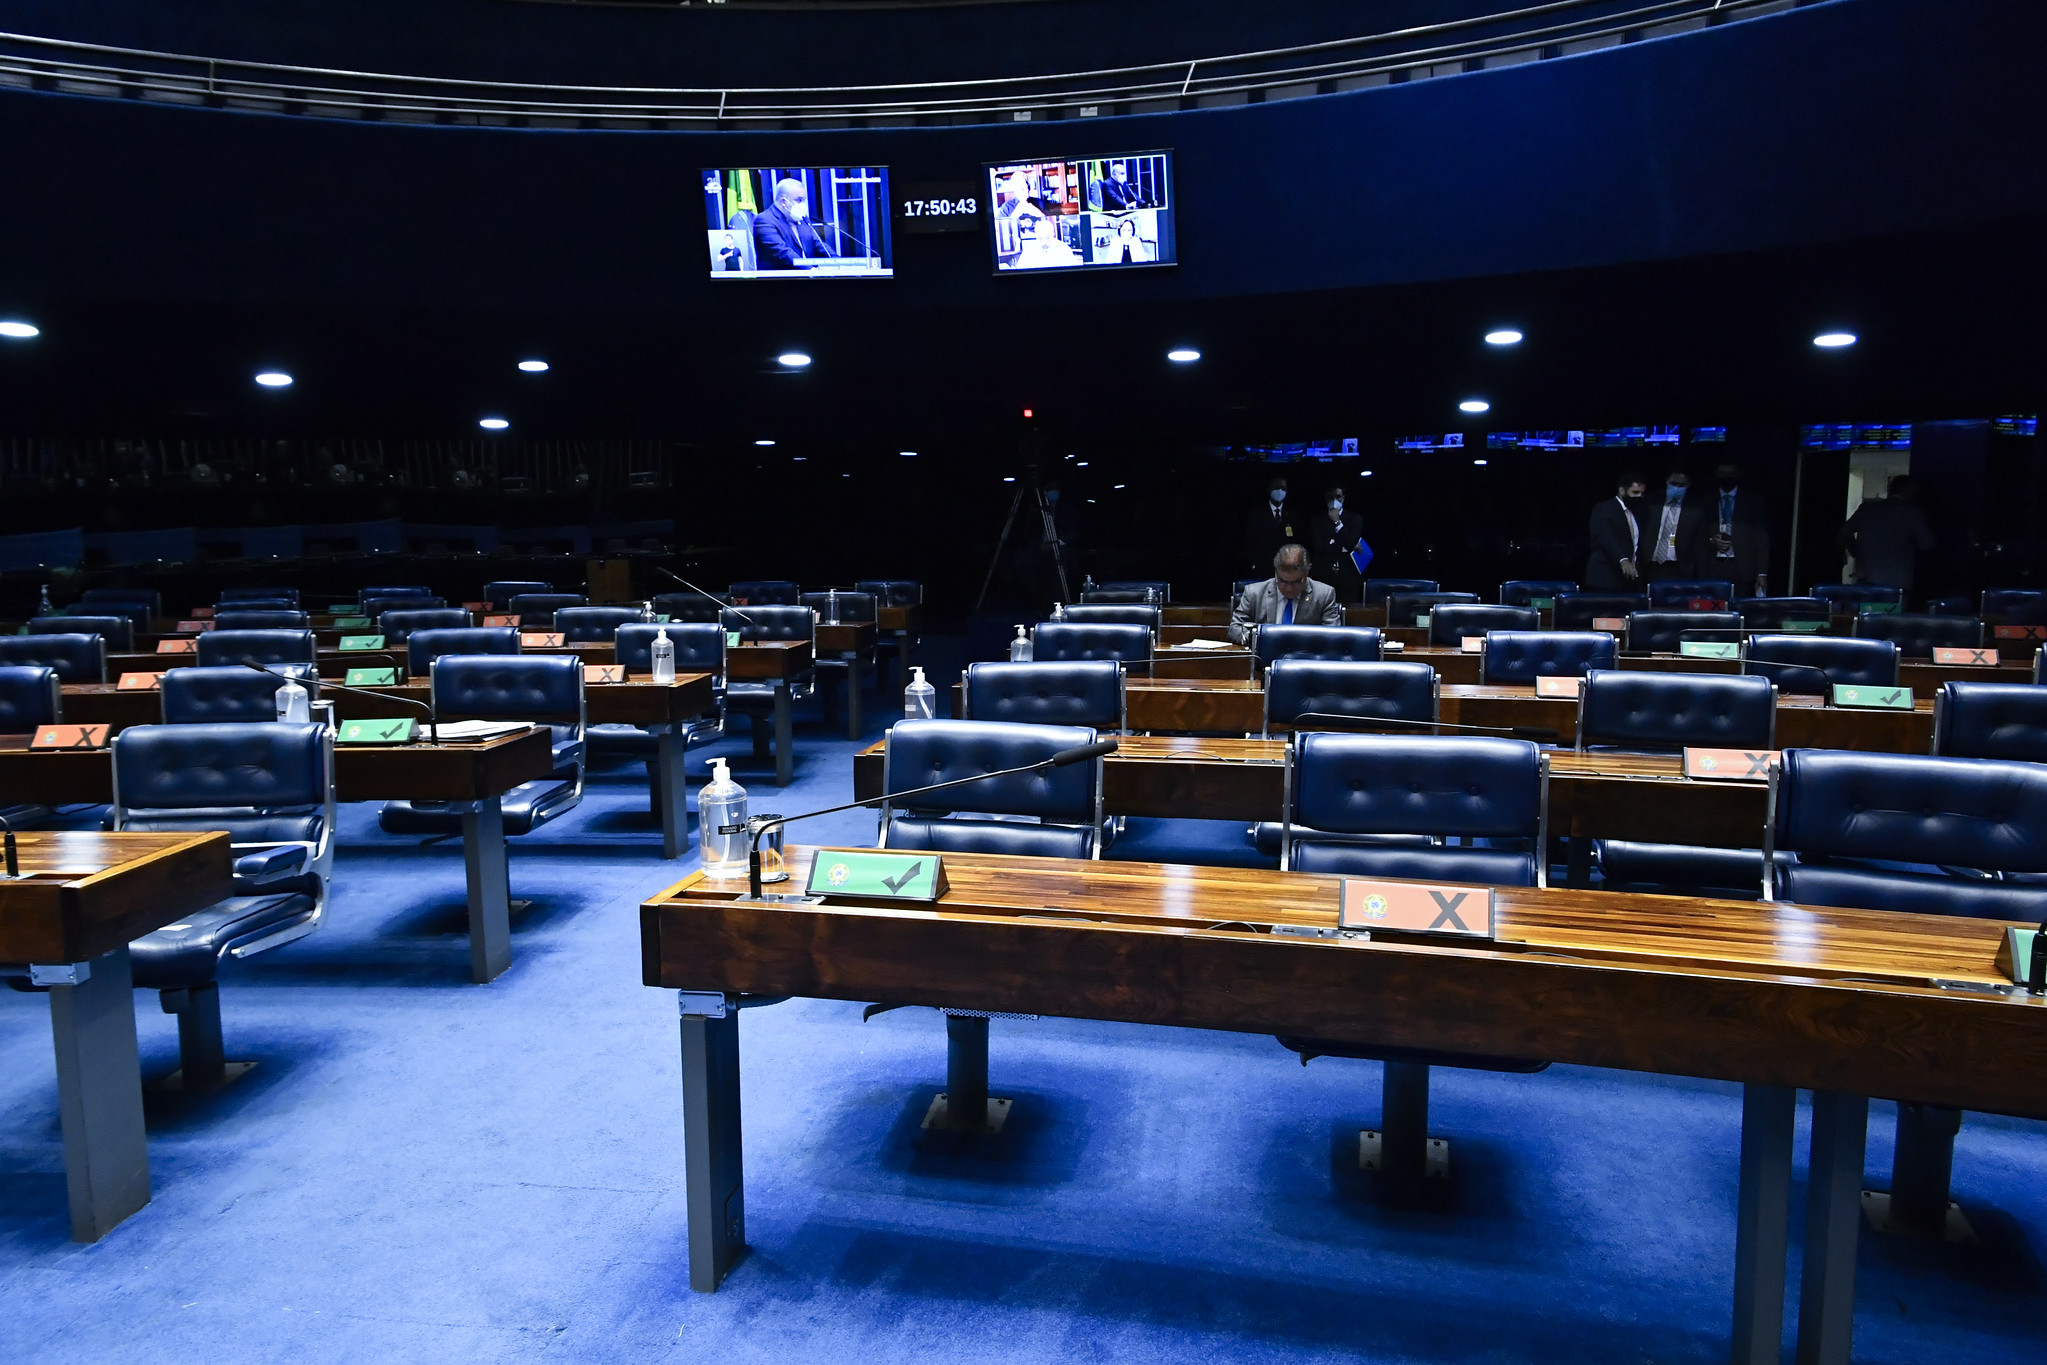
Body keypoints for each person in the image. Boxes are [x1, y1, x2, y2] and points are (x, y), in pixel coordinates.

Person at [1837, 474, 1935, 591]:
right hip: (1897, 580)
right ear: (1910, 490)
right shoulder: (1911, 512)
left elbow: (1843, 534)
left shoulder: (1867, 509)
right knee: (1893, 608)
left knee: (1865, 607)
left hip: (1866, 575)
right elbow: (1927, 544)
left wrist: (1857, 552)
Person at [1229, 544, 1343, 644]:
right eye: (1283, 581)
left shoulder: (1324, 594)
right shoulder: (1254, 593)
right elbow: (1235, 628)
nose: (1289, 588)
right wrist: (1257, 639)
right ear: (1276, 573)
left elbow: (1333, 635)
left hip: (1305, 660)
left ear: (1307, 573)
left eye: (1297, 582)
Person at [1708, 463, 1770, 596]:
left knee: (1740, 609)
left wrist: (1762, 573)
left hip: (1742, 568)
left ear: (1738, 475)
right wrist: (1711, 539)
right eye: (1723, 474)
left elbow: (1761, 538)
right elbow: (1696, 534)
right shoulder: (1706, 501)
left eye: (1730, 474)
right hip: (1712, 566)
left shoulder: (1752, 501)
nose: (1727, 478)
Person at [1642, 467, 1711, 581]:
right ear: (1666, 481)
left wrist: (1702, 578)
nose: (1677, 488)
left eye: (1682, 485)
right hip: (1650, 565)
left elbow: (1700, 546)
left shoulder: (1695, 509)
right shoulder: (1650, 503)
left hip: (1680, 568)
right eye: (1674, 483)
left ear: (1688, 485)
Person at [1584, 472, 1649, 590]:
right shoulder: (1604, 508)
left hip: (1629, 579)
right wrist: (1623, 560)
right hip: (1605, 578)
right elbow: (1605, 537)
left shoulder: (1638, 512)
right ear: (1622, 490)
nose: (1639, 496)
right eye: (1635, 492)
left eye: (1642, 493)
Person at [751, 178, 834, 270]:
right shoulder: (764, 220)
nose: (803, 205)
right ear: (784, 202)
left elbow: (820, 245)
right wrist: (811, 271)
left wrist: (839, 264)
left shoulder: (801, 219)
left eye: (804, 200)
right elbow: (783, 252)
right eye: (799, 200)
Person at [1306, 485, 1366, 603]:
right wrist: (1344, 547)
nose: (1334, 500)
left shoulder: (1355, 519)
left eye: (1338, 496)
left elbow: (1352, 542)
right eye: (1330, 497)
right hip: (1323, 575)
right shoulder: (1316, 520)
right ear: (1325, 498)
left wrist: (1337, 522)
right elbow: (1319, 547)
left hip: (1348, 576)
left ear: (1343, 497)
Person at [1242, 476, 1302, 579]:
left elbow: (1296, 540)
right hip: (1263, 566)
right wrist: (1254, 563)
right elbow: (1250, 540)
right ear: (1269, 490)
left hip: (1285, 566)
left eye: (1283, 488)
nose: (1280, 491)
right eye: (1276, 487)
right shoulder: (1257, 514)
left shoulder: (1292, 515)